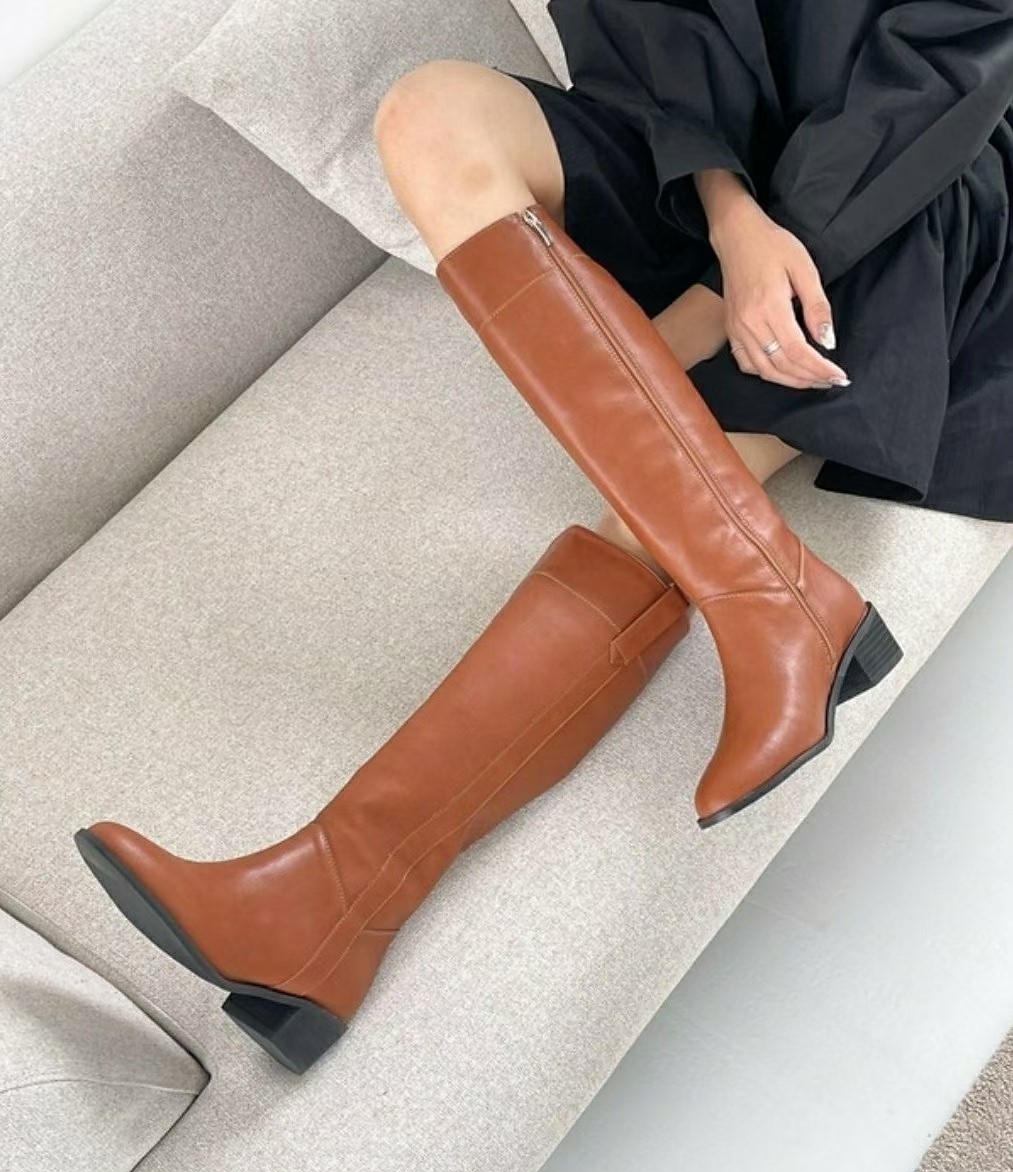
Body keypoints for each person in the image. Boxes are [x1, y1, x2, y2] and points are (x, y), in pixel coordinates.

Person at [73, 0, 1013, 1072]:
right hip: (699, 183)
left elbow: (949, 58)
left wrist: (735, 283)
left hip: (899, 187)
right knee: (429, 110)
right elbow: (649, 38)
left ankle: (327, 901)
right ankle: (787, 604)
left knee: (663, 497)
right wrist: (727, 226)